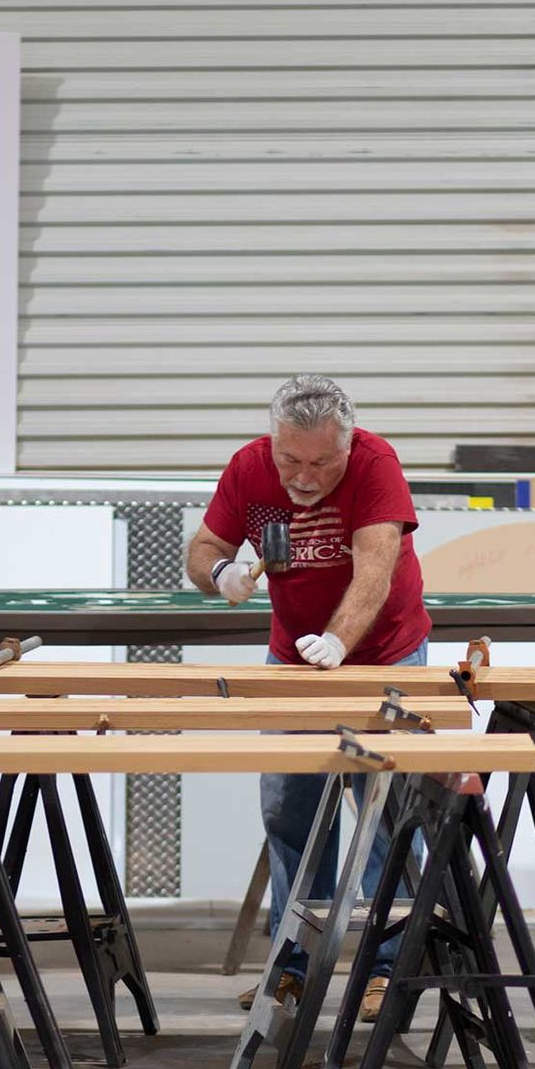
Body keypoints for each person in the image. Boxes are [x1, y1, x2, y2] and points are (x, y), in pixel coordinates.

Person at [186, 374, 432, 1021]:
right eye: (290, 459)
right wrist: (220, 574)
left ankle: (386, 968)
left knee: (385, 815)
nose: (303, 476)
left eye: (322, 462)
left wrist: (337, 642)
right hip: (293, 658)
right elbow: (203, 549)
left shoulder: (377, 465)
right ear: (274, 442)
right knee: (291, 808)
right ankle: (294, 964)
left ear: (347, 447)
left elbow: (375, 572)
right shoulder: (247, 470)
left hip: (385, 656)